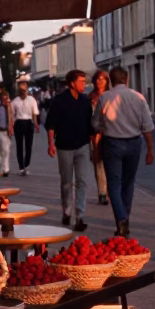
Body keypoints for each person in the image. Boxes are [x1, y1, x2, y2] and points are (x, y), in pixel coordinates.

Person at [91, 66, 154, 237]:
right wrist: (150, 150)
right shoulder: (138, 97)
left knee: (114, 183)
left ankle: (121, 219)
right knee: (128, 182)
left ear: (111, 81)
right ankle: (125, 217)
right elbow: (147, 127)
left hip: (112, 143)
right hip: (134, 143)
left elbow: (95, 124)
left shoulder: (104, 97)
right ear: (127, 79)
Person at [45, 69, 92, 231]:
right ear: (72, 83)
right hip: (64, 146)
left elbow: (90, 125)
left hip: (83, 146)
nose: (84, 84)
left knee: (82, 181)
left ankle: (79, 216)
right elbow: (51, 124)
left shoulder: (85, 101)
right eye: (81, 81)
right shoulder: (59, 101)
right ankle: (67, 211)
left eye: (84, 81)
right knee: (66, 182)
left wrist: (94, 145)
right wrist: (50, 144)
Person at [88, 69, 110, 205]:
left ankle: (111, 190)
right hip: (94, 136)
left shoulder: (111, 96)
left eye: (103, 79)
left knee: (111, 164)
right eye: (98, 78)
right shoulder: (90, 97)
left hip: (110, 134)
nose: (100, 81)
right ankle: (102, 192)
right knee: (98, 164)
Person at [12, 79, 40, 175]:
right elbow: (12, 115)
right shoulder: (15, 101)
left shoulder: (31, 100)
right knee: (19, 146)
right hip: (19, 123)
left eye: (24, 90)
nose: (22, 92)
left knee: (29, 145)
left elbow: (34, 112)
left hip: (28, 122)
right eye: (21, 91)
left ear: (27, 90)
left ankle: (26, 164)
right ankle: (21, 167)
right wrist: (11, 126)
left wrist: (36, 124)